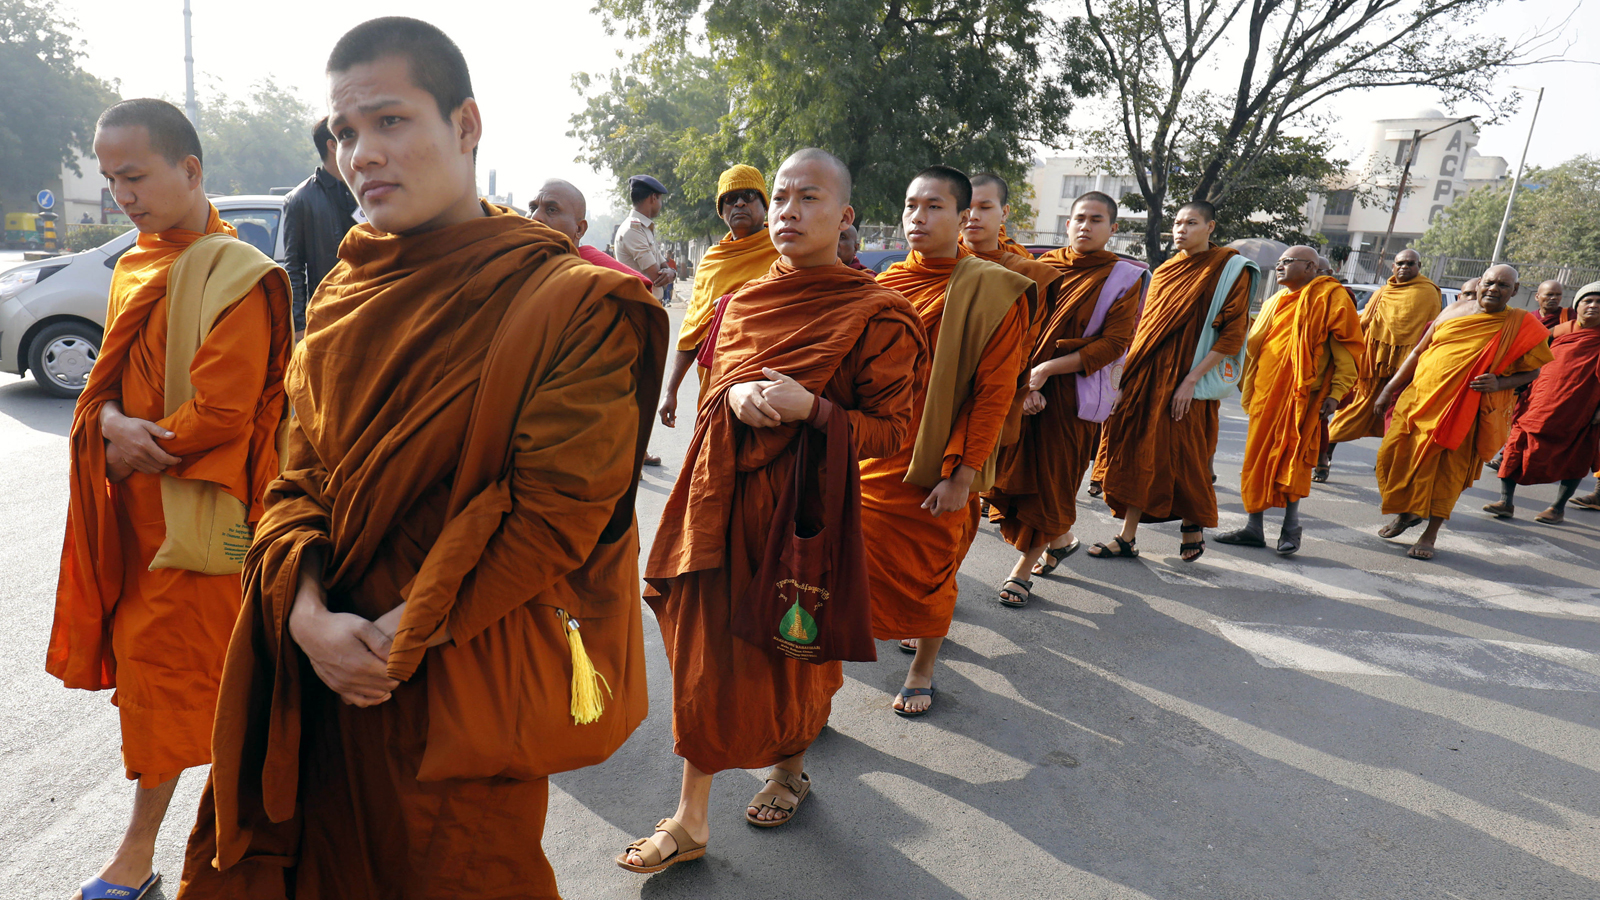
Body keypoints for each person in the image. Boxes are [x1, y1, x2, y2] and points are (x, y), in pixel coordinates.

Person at [175, 18, 667, 899]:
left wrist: (394, 643)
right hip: (327, 674)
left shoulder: (574, 302)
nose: (362, 153)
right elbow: (298, 477)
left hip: (459, 684)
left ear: (466, 126)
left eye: (391, 122)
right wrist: (307, 615)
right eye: (345, 132)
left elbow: (555, 512)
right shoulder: (342, 290)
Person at [624, 148, 923, 871]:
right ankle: (691, 816)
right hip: (718, 507)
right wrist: (729, 396)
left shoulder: (876, 313)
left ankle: (789, 766)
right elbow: (718, 389)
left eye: (808, 198)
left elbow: (897, 431)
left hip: (804, 519)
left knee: (789, 655)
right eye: (781, 197)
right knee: (703, 659)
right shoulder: (742, 300)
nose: (788, 211)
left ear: (845, 216)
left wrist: (816, 409)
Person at [48, 98, 293, 900]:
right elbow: (103, 385)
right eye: (111, 177)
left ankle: (146, 854)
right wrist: (111, 422)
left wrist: (139, 440)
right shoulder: (133, 266)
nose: (122, 192)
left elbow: (225, 410)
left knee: (203, 688)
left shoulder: (238, 274)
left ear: (190, 170)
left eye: (136, 175)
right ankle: (190, 849)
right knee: (169, 687)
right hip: (135, 518)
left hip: (201, 525)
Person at [860, 165, 1032, 714]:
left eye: (934, 207)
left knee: (931, 570)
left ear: (963, 218)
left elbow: (994, 391)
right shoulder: (884, 284)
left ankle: (922, 666)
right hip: (873, 456)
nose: (918, 217)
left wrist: (962, 474)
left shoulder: (994, 289)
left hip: (937, 462)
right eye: (911, 206)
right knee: (851, 568)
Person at [984, 191, 1141, 605]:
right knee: (1012, 480)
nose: (1085, 226)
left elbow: (1114, 343)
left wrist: (1047, 371)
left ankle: (1021, 572)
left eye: (1096, 219)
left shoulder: (1123, 277)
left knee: (1051, 484)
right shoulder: (1041, 268)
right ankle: (1061, 539)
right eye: (1079, 218)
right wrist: (1024, 383)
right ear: (1067, 224)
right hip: (1022, 389)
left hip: (1072, 398)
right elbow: (1015, 331)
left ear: (1113, 228)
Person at [1088, 200, 1251, 562]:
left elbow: (1232, 335)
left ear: (1210, 227)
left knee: (1189, 453)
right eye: (1177, 223)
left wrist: (1191, 380)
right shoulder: (1163, 272)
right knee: (1138, 451)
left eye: (1191, 223)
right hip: (1147, 376)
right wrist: (1124, 381)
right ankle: (1127, 536)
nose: (1181, 229)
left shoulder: (1229, 269)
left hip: (1191, 379)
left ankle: (1192, 522)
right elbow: (1143, 330)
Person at [1372, 265, 1551, 559]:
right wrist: (1389, 389)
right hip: (1418, 401)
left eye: (1503, 286)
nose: (1494, 289)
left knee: (1447, 473)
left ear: (1515, 292)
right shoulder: (1452, 310)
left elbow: (1533, 371)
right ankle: (1408, 512)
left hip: (1464, 411)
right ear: (1480, 283)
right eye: (1490, 283)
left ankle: (1430, 535)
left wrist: (1500, 383)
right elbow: (1418, 352)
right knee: (1392, 458)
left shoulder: (1519, 325)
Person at [1217, 246, 1364, 554]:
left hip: (1303, 398)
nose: (1279, 266)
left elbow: (1347, 355)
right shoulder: (1274, 301)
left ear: (1310, 267)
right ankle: (1253, 528)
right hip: (1266, 395)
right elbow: (1257, 346)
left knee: (1293, 461)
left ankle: (1291, 528)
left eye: (1287, 262)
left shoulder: (1329, 300)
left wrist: (1336, 394)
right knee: (1257, 461)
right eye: (1280, 261)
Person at [658, 165, 781, 431]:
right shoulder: (711, 261)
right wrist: (671, 391)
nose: (738, 202)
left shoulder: (784, 250)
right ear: (722, 210)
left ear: (764, 204)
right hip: (714, 383)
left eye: (748, 195)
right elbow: (693, 330)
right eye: (729, 198)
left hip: (768, 384)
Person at [1486, 282, 1600, 524]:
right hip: (1538, 402)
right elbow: (1529, 357)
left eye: (1599, 303)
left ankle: (1557, 508)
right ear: (1577, 306)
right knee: (1516, 445)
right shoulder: (1559, 331)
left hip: (1581, 411)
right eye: (1588, 301)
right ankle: (1506, 502)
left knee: (1575, 457)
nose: (1593, 306)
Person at [1325, 248, 1441, 456]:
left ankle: (1387, 460)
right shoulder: (1383, 290)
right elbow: (1364, 322)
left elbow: (1429, 332)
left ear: (1419, 267)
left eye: (1410, 263)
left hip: (1406, 368)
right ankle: (1326, 451)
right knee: (1354, 410)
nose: (1405, 267)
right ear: (1393, 266)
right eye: (1400, 263)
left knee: (1397, 415)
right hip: (1373, 364)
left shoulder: (1428, 292)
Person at [282, 116, 359, 341]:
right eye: (348, 136)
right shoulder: (301, 198)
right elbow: (294, 267)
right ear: (332, 145)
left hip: (371, 302)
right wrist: (298, 324)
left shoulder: (367, 186)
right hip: (329, 310)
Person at [528, 177, 650, 287]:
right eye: (533, 208)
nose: (535, 217)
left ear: (580, 229)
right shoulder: (518, 265)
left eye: (551, 210)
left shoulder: (604, 280)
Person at [614, 174, 675, 304]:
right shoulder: (633, 230)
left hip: (650, 304)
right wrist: (671, 274)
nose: (660, 204)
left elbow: (664, 264)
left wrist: (671, 272)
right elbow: (657, 277)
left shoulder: (645, 228)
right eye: (660, 199)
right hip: (640, 306)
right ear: (653, 198)